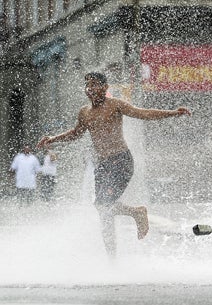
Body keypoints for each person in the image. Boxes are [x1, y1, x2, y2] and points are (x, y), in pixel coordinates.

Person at [36, 72, 191, 255]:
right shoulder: (85, 112)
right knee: (103, 212)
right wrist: (53, 139)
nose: (90, 89)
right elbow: (76, 133)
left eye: (94, 84)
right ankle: (112, 260)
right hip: (102, 165)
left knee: (103, 205)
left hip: (121, 161)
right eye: (88, 85)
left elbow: (143, 113)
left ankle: (137, 212)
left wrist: (173, 113)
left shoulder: (115, 105)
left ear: (105, 87)